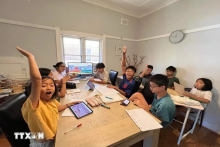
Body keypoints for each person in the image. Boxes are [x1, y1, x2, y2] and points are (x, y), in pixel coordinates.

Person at [16, 47, 81, 146]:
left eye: (51, 85)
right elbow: (36, 79)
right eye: (43, 85)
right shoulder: (34, 103)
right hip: (45, 143)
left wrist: (68, 104)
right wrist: (30, 57)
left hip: (54, 135)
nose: (49, 88)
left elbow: (55, 108)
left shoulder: (49, 100)